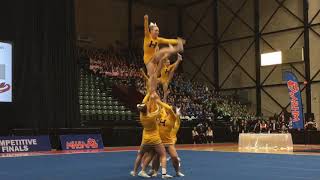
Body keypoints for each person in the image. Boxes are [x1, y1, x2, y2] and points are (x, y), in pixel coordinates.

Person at [130, 92, 173, 178]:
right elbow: (160, 109)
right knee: (163, 155)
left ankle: (135, 172)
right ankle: (164, 174)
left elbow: (143, 102)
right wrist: (157, 101)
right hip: (155, 139)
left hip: (145, 139)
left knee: (141, 155)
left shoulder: (141, 115)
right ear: (147, 109)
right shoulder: (152, 116)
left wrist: (149, 93)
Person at [148, 101, 184, 177]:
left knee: (174, 157)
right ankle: (155, 171)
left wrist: (158, 101)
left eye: (170, 109)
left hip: (169, 142)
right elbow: (163, 107)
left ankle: (177, 171)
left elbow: (167, 108)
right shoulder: (163, 114)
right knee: (157, 156)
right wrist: (163, 96)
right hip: (159, 141)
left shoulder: (173, 118)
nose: (168, 109)